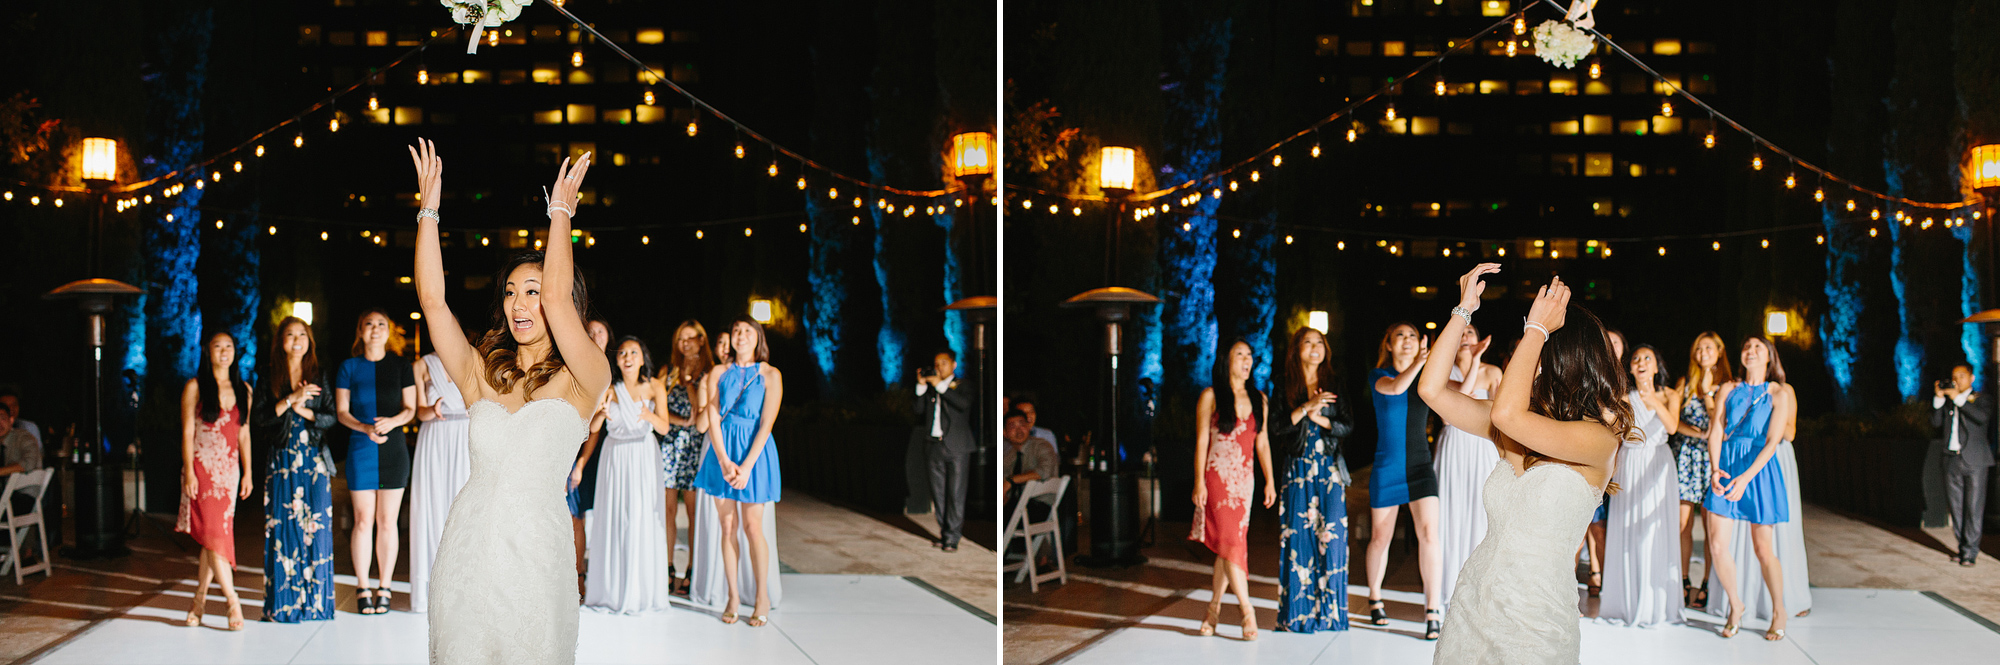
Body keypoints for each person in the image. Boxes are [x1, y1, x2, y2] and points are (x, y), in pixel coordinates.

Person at [413, 141, 611, 663]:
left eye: (531, 290)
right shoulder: (481, 374)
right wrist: (428, 211)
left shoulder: (585, 377)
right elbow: (433, 303)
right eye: (509, 292)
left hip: (537, 559)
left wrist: (561, 212)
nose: (521, 302)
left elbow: (555, 294)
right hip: (469, 551)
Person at [1425, 267, 1631, 665]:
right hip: (1472, 605)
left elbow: (1506, 414)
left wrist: (1536, 326)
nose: (1526, 355)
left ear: (1562, 359)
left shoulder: (1600, 440)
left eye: (1537, 349)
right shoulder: (1514, 428)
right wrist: (1463, 310)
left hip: (1536, 620)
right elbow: (1431, 390)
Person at [1700, 335, 1795, 640]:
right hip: (1727, 465)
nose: (1750, 351)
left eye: (1757, 347)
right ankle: (1735, 604)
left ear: (1769, 356)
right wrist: (1716, 469)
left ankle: (1779, 609)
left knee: (1763, 548)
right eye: (1746, 347)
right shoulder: (1729, 388)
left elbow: (1773, 442)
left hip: (1759, 471)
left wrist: (1746, 478)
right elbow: (1715, 430)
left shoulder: (1780, 393)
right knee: (1716, 545)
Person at [693, 317, 785, 626]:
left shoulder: (771, 374)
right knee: (727, 526)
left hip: (754, 453)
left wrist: (746, 466)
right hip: (723, 451)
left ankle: (762, 596)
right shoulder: (719, 372)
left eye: (747, 331)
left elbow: (767, 423)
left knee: (752, 527)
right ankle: (732, 595)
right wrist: (722, 460)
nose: (740, 335)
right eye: (735, 331)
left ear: (758, 337)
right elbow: (714, 416)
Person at [254, 316, 339, 623]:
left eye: (302, 334)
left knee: (316, 531)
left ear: (309, 340)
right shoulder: (268, 376)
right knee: (283, 530)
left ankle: (316, 605)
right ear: (281, 342)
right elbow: (261, 419)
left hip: (313, 461)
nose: (296, 339)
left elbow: (331, 418)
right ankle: (284, 605)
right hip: (281, 461)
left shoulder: (318, 374)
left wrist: (301, 406)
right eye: (290, 335)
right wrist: (291, 398)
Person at [1191, 339, 1276, 641]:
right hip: (1217, 478)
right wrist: (1199, 481)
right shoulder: (1211, 396)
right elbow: (1202, 440)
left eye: (1249, 355)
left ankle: (1212, 610)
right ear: (1226, 360)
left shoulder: (1260, 398)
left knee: (1229, 546)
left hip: (1245, 480)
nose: (1246, 359)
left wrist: (1270, 480)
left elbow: (1262, 442)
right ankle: (1246, 610)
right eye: (1239, 354)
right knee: (1232, 543)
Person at [334, 309, 418, 614]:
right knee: (362, 520)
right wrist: (365, 427)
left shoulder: (400, 365)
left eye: (381, 323)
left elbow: (410, 409)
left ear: (389, 331)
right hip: (361, 448)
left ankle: (384, 586)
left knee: (387, 521)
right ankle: (361, 585)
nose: (375, 328)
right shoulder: (348, 367)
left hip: (393, 450)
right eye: (368, 323)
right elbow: (342, 412)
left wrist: (392, 422)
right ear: (360, 331)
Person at [584, 336, 675, 613]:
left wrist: (649, 416)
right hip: (615, 458)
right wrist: (599, 413)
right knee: (615, 516)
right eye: (622, 352)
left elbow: (665, 428)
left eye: (633, 352)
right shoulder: (609, 388)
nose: (627, 356)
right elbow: (594, 427)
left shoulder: (655, 386)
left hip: (643, 457)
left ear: (642, 357)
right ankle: (611, 589)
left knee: (641, 517)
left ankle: (641, 590)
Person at [1271, 326, 1352, 634]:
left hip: (1329, 470)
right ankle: (1298, 615)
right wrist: (1306, 407)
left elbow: (1346, 426)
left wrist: (1320, 417)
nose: (1315, 348)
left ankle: (1332, 614)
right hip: (1297, 470)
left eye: (1320, 343)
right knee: (1298, 540)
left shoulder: (1334, 384)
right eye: (1308, 343)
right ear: (1297, 350)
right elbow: (1278, 426)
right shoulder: (1284, 385)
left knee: (1332, 541)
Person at [1597, 343, 1684, 627]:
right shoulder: (1622, 397)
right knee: (1629, 529)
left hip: (1658, 463)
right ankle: (1626, 600)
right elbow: (1613, 432)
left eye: (1648, 358)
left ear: (1656, 366)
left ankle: (1656, 603)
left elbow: (1671, 427)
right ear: (1630, 367)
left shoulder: (1670, 394)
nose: (1641, 362)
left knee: (1654, 529)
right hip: (1630, 463)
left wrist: (1654, 399)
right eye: (1636, 359)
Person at [1366, 321, 1442, 636]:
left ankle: (1433, 610)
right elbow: (1397, 388)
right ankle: (1374, 598)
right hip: (1388, 468)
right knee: (1380, 537)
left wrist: (1473, 359)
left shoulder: (1425, 378)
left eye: (1413, 336)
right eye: (1400, 335)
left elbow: (1453, 399)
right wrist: (1420, 363)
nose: (1407, 340)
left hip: (1421, 466)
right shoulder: (1379, 376)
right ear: (1389, 344)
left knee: (1429, 534)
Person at [178, 331, 256, 631]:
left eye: (228, 346)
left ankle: (198, 601)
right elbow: (186, 433)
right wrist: (189, 471)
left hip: (229, 472)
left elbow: (244, 434)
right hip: (202, 468)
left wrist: (248, 471)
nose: (224, 351)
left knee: (213, 539)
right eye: (217, 346)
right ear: (207, 351)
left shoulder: (243, 389)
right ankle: (232, 601)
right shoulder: (195, 387)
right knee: (213, 535)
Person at [1434, 322, 1502, 611]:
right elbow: (1449, 417)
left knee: (1481, 512)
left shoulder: (1493, 372)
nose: (1465, 337)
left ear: (1479, 338)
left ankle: (1480, 588)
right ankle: (1447, 587)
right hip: (1453, 446)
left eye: (1470, 332)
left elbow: (1501, 415)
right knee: (1450, 511)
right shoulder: (1442, 371)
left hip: (1482, 446)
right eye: (1460, 333)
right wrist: (1472, 362)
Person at [409, 348, 473, 614]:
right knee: (431, 507)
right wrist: (432, 410)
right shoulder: (422, 365)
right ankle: (428, 592)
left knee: (464, 510)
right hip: (434, 436)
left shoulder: (469, 359)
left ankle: (465, 590)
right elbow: (418, 412)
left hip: (465, 438)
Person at [1673, 332, 1729, 608]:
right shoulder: (1684, 383)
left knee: (1710, 525)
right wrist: (1696, 433)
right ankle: (1683, 580)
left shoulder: (1728, 387)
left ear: (1719, 351)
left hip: (1712, 460)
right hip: (1685, 455)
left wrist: (1708, 392)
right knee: (1683, 525)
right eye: (1698, 348)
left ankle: (1708, 582)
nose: (1703, 352)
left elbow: (1722, 424)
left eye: (1708, 347)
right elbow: (1673, 422)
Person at [657, 320, 712, 596]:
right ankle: (667, 567)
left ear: (702, 340)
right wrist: (680, 421)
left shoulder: (709, 373)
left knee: (693, 512)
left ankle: (692, 568)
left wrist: (690, 383)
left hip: (694, 446)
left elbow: (700, 413)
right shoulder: (668, 371)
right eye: (681, 339)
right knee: (667, 511)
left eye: (691, 338)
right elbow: (658, 407)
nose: (686, 343)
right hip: (669, 444)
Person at [568, 318, 614, 592]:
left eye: (600, 331)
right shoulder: (574, 366)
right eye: (590, 331)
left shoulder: (615, 372)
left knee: (596, 516)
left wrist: (582, 462)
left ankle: (594, 575)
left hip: (604, 450)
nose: (595, 335)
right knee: (576, 515)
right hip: (575, 448)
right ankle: (577, 576)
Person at [1930, 363, 1993, 567]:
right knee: (1956, 507)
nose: (1957, 380)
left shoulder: (1982, 399)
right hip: (1951, 459)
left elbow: (1981, 418)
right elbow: (1935, 423)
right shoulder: (1949, 402)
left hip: (1975, 461)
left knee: (1973, 507)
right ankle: (1962, 547)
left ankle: (1970, 552)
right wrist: (1939, 398)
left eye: (1961, 376)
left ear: (1971, 378)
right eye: (1954, 376)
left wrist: (1957, 397)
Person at [915, 349, 975, 552]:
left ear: (953, 365)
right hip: (933, 445)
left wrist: (938, 385)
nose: (939, 367)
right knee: (938, 493)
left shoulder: (962, 385)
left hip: (957, 446)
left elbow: (962, 404)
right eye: (936, 363)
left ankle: (953, 538)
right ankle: (944, 533)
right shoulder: (932, 387)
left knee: (955, 494)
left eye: (943, 363)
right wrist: (921, 386)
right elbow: (918, 410)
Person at [1002, 409, 1059, 568]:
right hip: (1018, 507)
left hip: (1039, 505)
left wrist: (1011, 481)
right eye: (1012, 426)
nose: (1019, 430)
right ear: (1005, 433)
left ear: (1029, 427)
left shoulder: (1041, 445)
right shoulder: (1008, 456)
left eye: (1022, 424)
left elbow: (1044, 471)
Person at [0, 388, 41, 454]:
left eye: (14, 405)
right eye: (6, 405)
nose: (11, 408)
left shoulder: (30, 427)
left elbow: (37, 454)